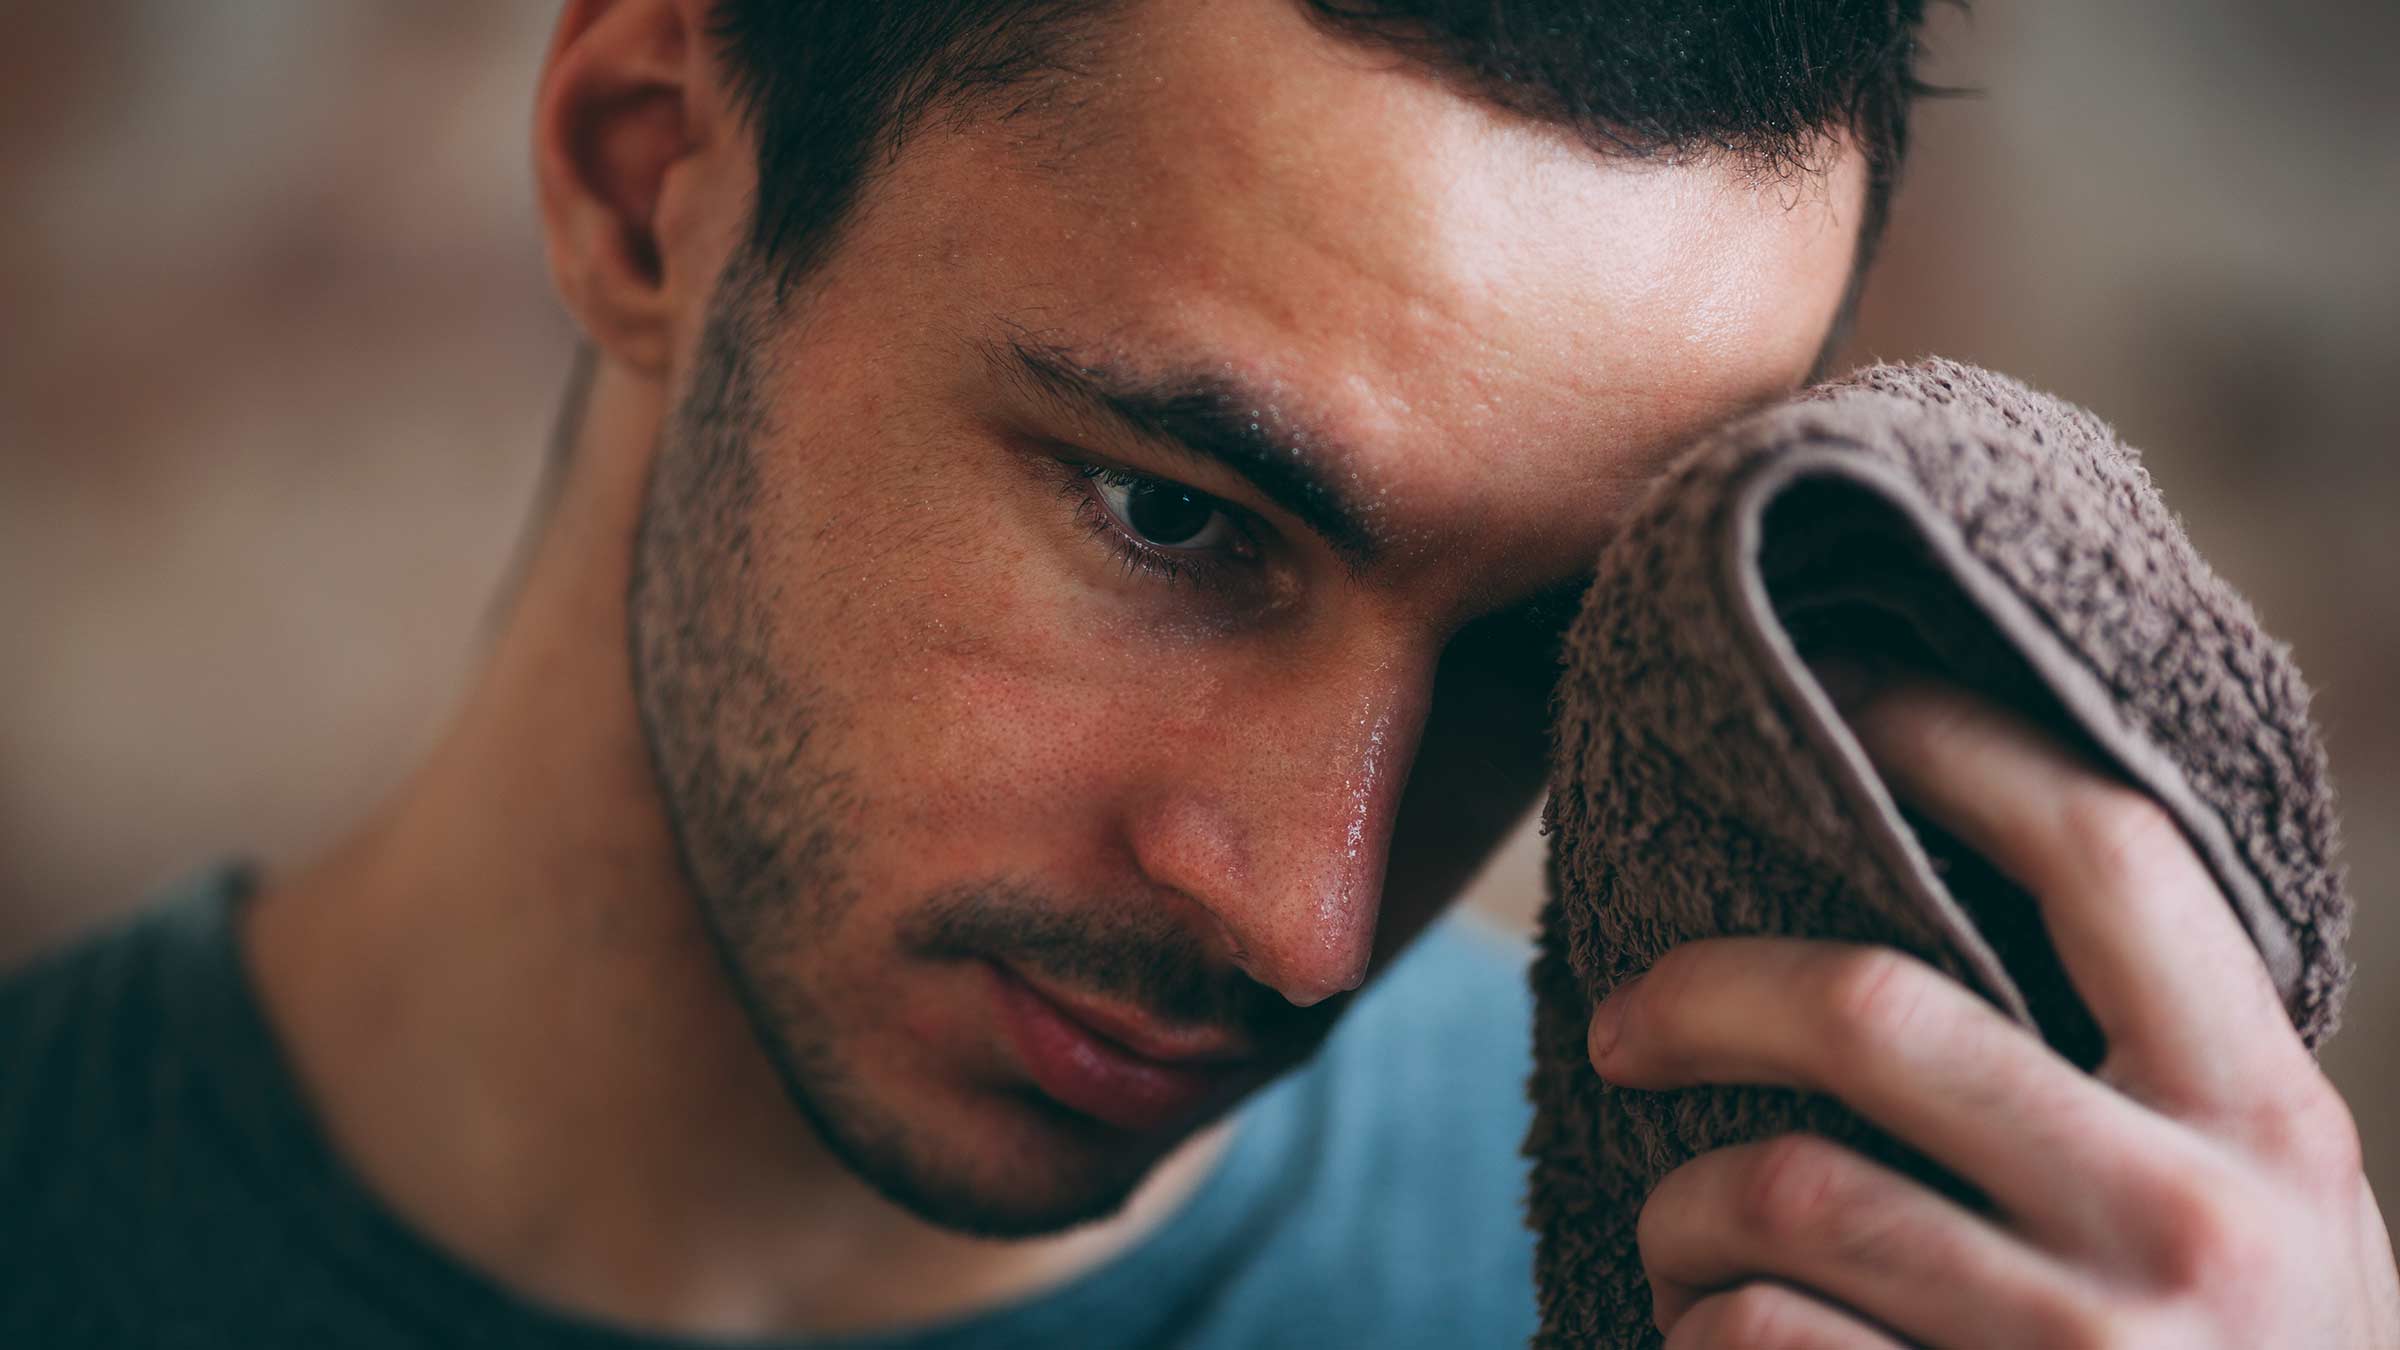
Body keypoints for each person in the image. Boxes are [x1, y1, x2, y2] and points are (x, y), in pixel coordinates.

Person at [5, 0, 2394, 1344]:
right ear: (651, 187)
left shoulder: (1755, 1316)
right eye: (1174, 516)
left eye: (1538, 644)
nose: (1311, 917)